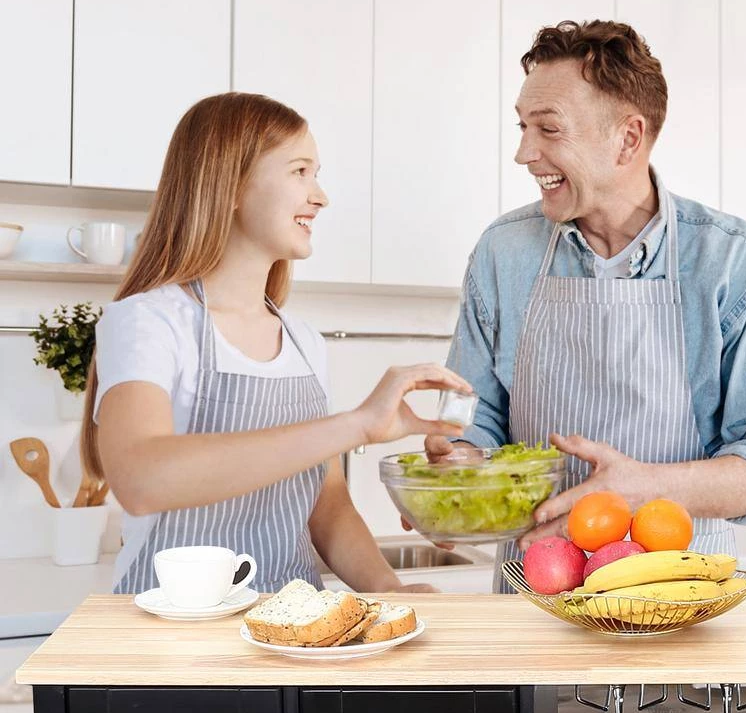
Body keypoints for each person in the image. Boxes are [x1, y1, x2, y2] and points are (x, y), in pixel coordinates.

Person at [424, 21, 746, 590]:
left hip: (680, 594)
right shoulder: (503, 252)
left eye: (548, 129)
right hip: (534, 595)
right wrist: (458, 470)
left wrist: (646, 488)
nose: (523, 153)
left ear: (628, 139)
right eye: (522, 127)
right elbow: (477, 415)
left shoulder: (731, 261)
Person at [82, 92, 470, 595]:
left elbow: (326, 503)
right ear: (233, 185)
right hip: (173, 644)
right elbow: (141, 479)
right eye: (300, 171)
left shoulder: (304, 342)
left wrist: (390, 591)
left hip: (294, 636)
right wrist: (355, 426)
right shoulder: (150, 321)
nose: (320, 195)